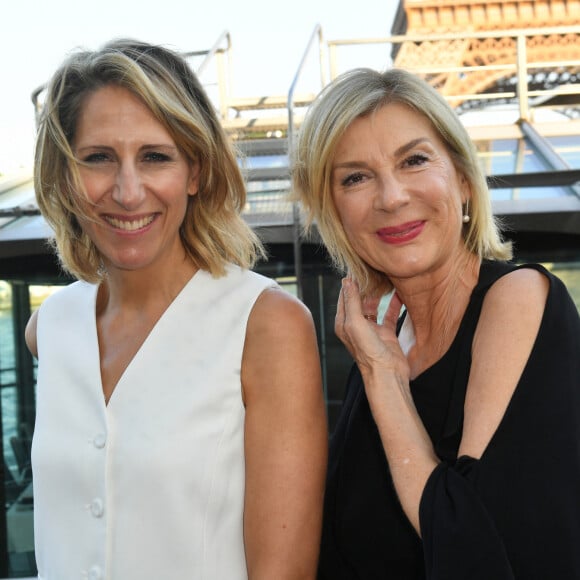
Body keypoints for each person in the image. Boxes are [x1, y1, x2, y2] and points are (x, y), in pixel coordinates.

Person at [25, 38, 327, 580]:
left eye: (155, 157)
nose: (127, 190)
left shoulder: (266, 324)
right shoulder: (49, 328)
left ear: (195, 172)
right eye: (98, 158)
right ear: (67, 176)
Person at [291, 67, 580, 579]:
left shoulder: (517, 300)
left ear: (464, 180)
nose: (391, 197)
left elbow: (476, 550)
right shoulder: (379, 346)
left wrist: (384, 381)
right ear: (334, 211)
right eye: (355, 177)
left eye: (414, 160)